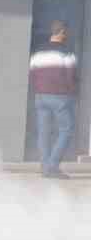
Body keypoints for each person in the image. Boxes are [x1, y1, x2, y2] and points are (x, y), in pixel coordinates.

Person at [31, 19, 78, 179]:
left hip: (40, 96)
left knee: (43, 132)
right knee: (67, 129)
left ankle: (45, 167)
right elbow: (71, 76)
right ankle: (52, 165)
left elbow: (33, 73)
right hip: (60, 96)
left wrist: (39, 90)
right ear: (62, 32)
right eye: (66, 32)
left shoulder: (38, 52)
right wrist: (72, 94)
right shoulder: (66, 51)